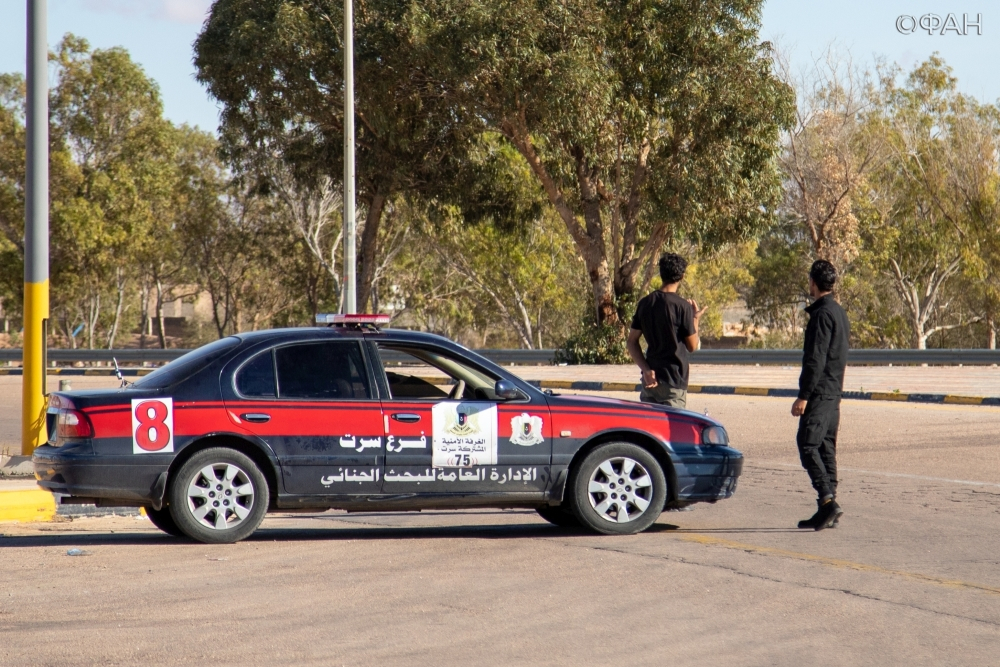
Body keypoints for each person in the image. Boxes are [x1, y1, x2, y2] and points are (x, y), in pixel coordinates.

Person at [792, 259, 850, 531]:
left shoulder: (821, 314)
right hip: (833, 392)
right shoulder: (838, 312)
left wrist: (803, 396)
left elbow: (815, 359)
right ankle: (827, 508)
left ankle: (828, 501)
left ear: (813, 283)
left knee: (807, 444)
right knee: (826, 448)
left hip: (820, 393)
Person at [627, 253, 707, 409]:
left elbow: (631, 341)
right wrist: (695, 319)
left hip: (650, 381)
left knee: (649, 431)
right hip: (674, 381)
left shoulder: (645, 303)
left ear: (661, 273)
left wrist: (646, 370)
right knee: (673, 431)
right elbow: (692, 346)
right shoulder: (682, 306)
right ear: (682, 276)